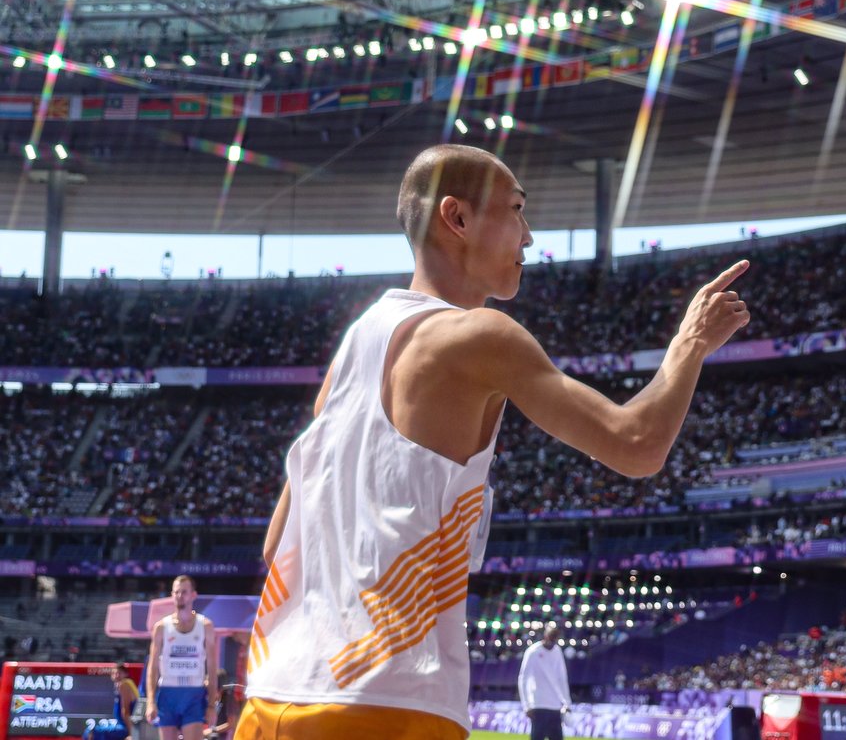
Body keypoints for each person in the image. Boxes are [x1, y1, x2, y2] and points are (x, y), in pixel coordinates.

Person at [238, 144, 750, 740]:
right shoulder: (480, 334)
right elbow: (637, 444)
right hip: (389, 700)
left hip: (272, 694)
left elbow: (278, 539)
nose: (528, 236)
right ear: (457, 218)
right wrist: (690, 344)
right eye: (516, 210)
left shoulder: (355, 344)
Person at [147, 575, 218, 740]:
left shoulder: (205, 626)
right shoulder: (161, 627)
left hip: (193, 694)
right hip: (167, 693)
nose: (180, 596)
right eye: (176, 592)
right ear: (172, 595)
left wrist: (211, 706)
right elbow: (152, 667)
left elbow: (212, 668)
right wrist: (150, 701)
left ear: (193, 595)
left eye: (184, 592)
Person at [518, 623, 570, 740]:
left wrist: (567, 702)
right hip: (538, 704)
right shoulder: (533, 651)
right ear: (545, 637)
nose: (552, 643)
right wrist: (526, 705)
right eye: (551, 639)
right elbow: (523, 678)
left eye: (555, 640)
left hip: (555, 706)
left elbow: (562, 677)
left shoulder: (557, 651)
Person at [83, 664, 139, 740]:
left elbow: (126, 712)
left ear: (126, 674)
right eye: (114, 673)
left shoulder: (124, 685)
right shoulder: (122, 685)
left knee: (90, 732)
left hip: (127, 727)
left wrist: (132, 734)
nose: (116, 675)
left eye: (119, 673)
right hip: (122, 725)